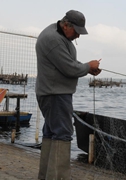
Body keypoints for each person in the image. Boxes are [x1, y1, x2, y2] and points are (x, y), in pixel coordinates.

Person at [35, 10, 101, 180]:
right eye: (77, 31)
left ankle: (46, 176)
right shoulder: (54, 39)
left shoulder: (56, 33)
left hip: (52, 93)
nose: (78, 36)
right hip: (55, 94)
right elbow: (70, 68)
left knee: (51, 133)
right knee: (63, 134)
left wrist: (87, 68)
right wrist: (88, 66)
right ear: (66, 25)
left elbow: (66, 62)